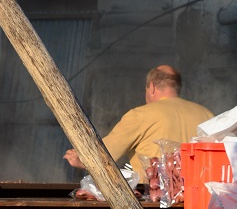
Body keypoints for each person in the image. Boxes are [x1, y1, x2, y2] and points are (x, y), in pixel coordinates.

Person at [64, 65, 213, 183]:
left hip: (153, 203)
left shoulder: (140, 115)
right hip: (200, 202)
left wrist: (80, 159)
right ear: (177, 87)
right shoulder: (207, 114)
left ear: (152, 87)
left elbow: (102, 156)